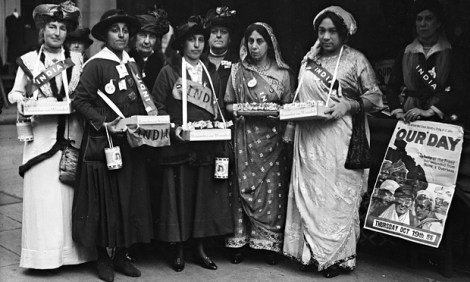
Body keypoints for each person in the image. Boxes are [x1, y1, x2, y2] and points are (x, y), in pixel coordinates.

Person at [283, 6, 384, 278]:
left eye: (332, 31)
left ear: (344, 34)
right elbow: (299, 96)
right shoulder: (308, 60)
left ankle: (338, 257)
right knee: (311, 194)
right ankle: (310, 254)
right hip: (309, 138)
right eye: (321, 31)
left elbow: (376, 99)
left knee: (335, 196)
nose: (326, 36)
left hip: (341, 137)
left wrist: (349, 105)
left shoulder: (355, 60)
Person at [7, 1, 95, 269]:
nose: (57, 32)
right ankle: (42, 257)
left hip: (70, 135)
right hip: (40, 137)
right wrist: (23, 103)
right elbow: (15, 92)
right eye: (51, 27)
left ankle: (72, 255)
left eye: (62, 28)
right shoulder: (30, 61)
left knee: (67, 197)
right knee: (44, 198)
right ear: (42, 30)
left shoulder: (77, 61)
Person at [72, 9, 155, 282]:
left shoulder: (132, 63)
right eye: (115, 30)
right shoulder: (96, 64)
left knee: (127, 199)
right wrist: (104, 123)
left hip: (129, 142)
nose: (121, 35)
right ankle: (103, 258)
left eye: (125, 30)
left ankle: (121, 255)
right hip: (103, 143)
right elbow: (80, 101)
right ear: (105, 35)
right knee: (103, 201)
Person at [150, 15, 234, 272]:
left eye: (200, 40)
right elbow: (156, 106)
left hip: (205, 145)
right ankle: (177, 249)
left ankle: (199, 247)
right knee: (179, 198)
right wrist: (173, 128)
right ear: (182, 44)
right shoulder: (170, 71)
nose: (197, 45)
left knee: (202, 198)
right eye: (191, 40)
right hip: (178, 146)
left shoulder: (210, 73)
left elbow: (217, 106)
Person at [224, 22, 294, 265]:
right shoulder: (237, 71)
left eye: (259, 41)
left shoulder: (283, 74)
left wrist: (279, 113)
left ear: (269, 43)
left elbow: (289, 108)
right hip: (245, 138)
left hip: (272, 141)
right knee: (241, 185)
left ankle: (268, 243)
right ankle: (239, 242)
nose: (254, 47)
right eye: (250, 41)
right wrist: (241, 110)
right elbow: (229, 104)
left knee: (271, 190)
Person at [387, 0, 470, 125]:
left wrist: (431, 111)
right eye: (419, 19)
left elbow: (460, 90)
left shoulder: (452, 53)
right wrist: (397, 110)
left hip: (441, 118)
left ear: (438, 23)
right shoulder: (405, 53)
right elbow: (392, 87)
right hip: (409, 118)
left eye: (428, 19)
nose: (423, 24)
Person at [129, 6, 170, 89]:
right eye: (143, 35)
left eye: (152, 36)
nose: (147, 41)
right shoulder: (125, 60)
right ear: (134, 37)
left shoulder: (163, 65)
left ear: (157, 40)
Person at [204, 6, 238, 96]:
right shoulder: (199, 60)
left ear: (230, 38)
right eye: (214, 32)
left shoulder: (237, 63)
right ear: (207, 37)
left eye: (223, 32)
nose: (218, 35)